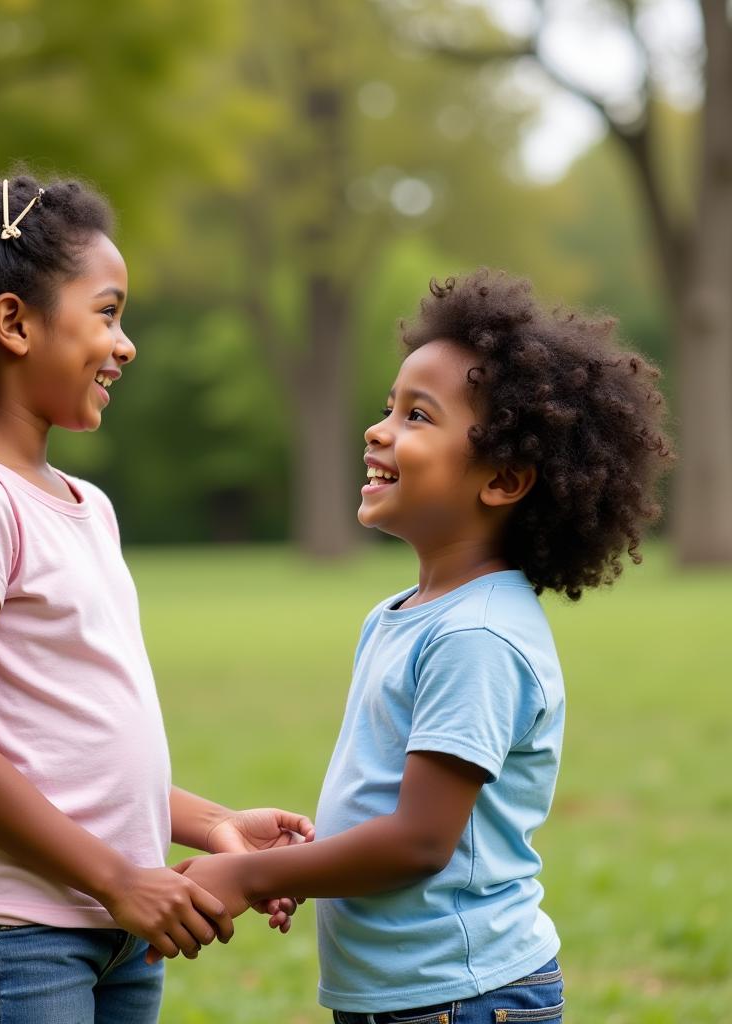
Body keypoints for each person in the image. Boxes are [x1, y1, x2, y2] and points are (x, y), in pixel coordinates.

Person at [0, 171, 313, 1024]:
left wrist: (216, 822)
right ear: (13, 322)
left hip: (112, 921)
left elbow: (74, 754)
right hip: (13, 935)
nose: (127, 344)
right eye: (108, 312)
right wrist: (117, 877)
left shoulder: (87, 508)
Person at [170, 270, 674, 1022]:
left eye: (417, 416)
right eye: (387, 408)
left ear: (502, 479)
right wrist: (287, 866)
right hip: (409, 994)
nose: (379, 430)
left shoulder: (477, 636)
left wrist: (246, 876)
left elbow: (418, 842)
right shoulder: (403, 614)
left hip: (465, 996)